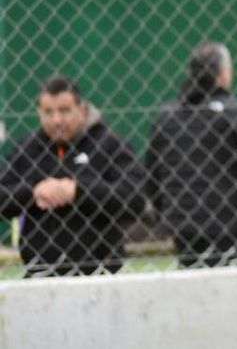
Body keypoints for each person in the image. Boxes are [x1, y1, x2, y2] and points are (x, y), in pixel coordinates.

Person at [144, 42, 237, 268]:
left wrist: (164, 218)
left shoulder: (167, 116)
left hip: (184, 227)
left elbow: (152, 175)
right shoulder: (236, 113)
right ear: (222, 74)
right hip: (227, 226)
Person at [0, 75, 146, 277]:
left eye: (65, 111)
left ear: (82, 109)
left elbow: (134, 198)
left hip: (100, 272)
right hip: (40, 273)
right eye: (48, 112)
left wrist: (77, 191)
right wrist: (34, 192)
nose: (57, 120)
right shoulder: (26, 148)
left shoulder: (109, 143)